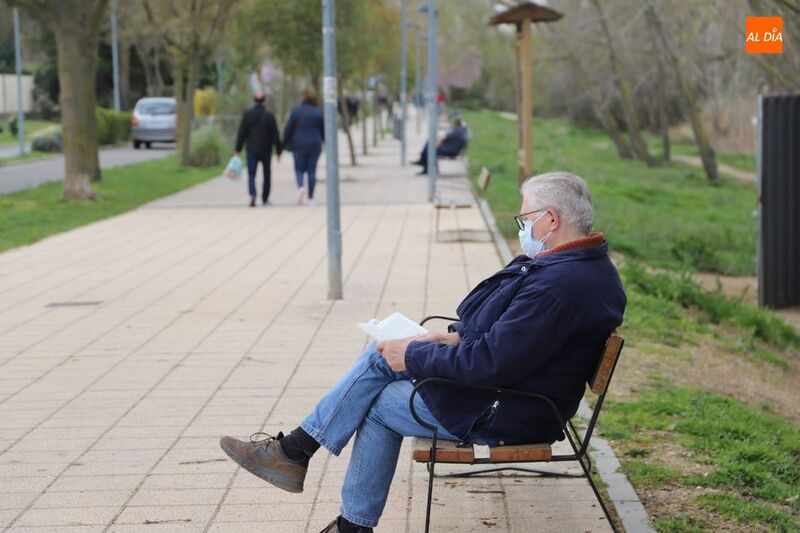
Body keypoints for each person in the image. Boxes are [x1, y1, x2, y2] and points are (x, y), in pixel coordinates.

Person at [219, 172, 626, 533]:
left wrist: (413, 357)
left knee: (380, 401)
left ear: (551, 220)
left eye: (525, 219)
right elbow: (512, 344)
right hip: (515, 391)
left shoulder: (557, 286)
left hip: (512, 409)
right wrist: (451, 338)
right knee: (383, 354)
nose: (522, 228)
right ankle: (299, 457)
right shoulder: (583, 268)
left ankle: (303, 463)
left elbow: (489, 364)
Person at [235, 91, 282, 207]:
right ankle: (265, 198)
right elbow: (275, 134)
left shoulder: (247, 114)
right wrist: (278, 150)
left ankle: (252, 194)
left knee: (251, 173)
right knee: (267, 174)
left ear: (254, 100)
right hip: (266, 149)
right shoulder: (269, 116)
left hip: (252, 148)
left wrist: (238, 148)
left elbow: (242, 132)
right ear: (264, 101)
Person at [284, 88, 325, 206]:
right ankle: (311, 198)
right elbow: (323, 130)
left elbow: (289, 129)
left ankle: (301, 186)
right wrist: (323, 141)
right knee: (312, 171)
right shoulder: (318, 112)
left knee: (299, 169)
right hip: (314, 144)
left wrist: (283, 144)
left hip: (299, 144)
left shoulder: (296, 111)